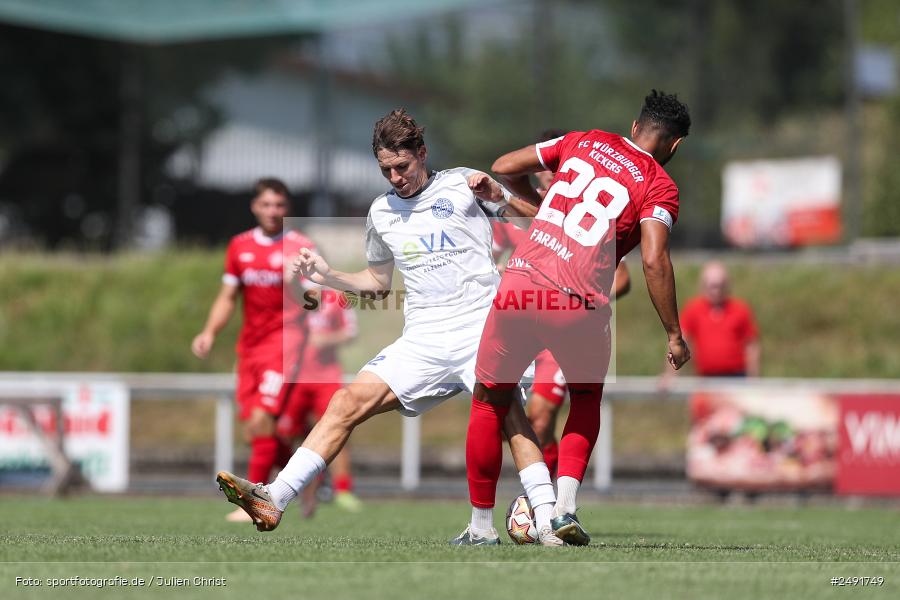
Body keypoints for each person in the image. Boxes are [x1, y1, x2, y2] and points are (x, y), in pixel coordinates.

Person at [214, 109, 565, 546]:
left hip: (482, 326)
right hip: (423, 339)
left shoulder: (463, 183)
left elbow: (546, 226)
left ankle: (549, 519)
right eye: (386, 170)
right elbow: (378, 285)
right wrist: (327, 276)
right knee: (346, 402)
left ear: (422, 153)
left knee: (510, 416)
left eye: (402, 166)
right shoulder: (381, 211)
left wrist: (499, 196)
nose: (396, 177)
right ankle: (274, 498)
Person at [463, 90, 693, 546]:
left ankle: (479, 528)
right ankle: (564, 507)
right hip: (578, 305)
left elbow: (505, 165)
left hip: (520, 286)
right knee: (585, 404)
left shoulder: (584, 141)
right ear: (675, 145)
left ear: (634, 125)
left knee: (489, 403)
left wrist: (541, 208)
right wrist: (673, 333)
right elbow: (653, 260)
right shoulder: (660, 185)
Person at [491, 130, 632, 478]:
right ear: (537, 169)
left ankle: (549, 499)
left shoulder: (584, 212)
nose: (552, 174)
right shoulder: (515, 212)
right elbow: (488, 261)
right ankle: (542, 496)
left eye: (558, 167)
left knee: (539, 414)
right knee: (503, 413)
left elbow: (624, 277)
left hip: (563, 330)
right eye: (546, 168)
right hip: (523, 320)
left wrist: (579, 296)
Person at [191, 178, 316, 522]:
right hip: (250, 349)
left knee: (263, 419)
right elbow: (228, 297)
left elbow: (314, 297)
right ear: (255, 207)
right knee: (256, 430)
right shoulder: (239, 246)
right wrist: (209, 332)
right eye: (267, 204)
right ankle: (303, 478)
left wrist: (298, 287)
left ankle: (255, 503)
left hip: (285, 346)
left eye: (279, 205)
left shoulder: (299, 246)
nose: (274, 211)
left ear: (286, 208)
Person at [276, 288, 361, 516]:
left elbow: (351, 332)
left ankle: (343, 491)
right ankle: (288, 489)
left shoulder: (337, 299)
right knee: (284, 435)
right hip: (294, 378)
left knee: (338, 428)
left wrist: (327, 339)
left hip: (326, 378)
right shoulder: (290, 297)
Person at [666, 261, 759, 379]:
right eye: (712, 286)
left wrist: (753, 379)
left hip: (736, 377)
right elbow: (678, 342)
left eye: (720, 286)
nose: (716, 291)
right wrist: (670, 375)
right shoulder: (693, 309)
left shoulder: (740, 310)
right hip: (705, 378)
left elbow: (752, 346)